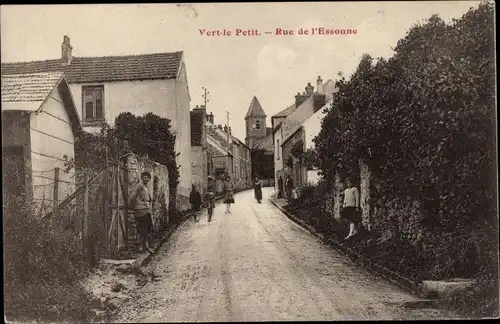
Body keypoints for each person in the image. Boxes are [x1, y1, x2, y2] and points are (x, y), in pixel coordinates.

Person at [129, 171, 154, 254]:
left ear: (149, 179)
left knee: (147, 228)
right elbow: (133, 196)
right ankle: (140, 246)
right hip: (140, 210)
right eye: (145, 177)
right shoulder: (139, 186)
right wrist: (132, 207)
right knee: (141, 229)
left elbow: (148, 198)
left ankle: (146, 246)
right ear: (142, 178)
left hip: (146, 210)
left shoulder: (146, 186)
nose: (146, 179)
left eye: (148, 177)